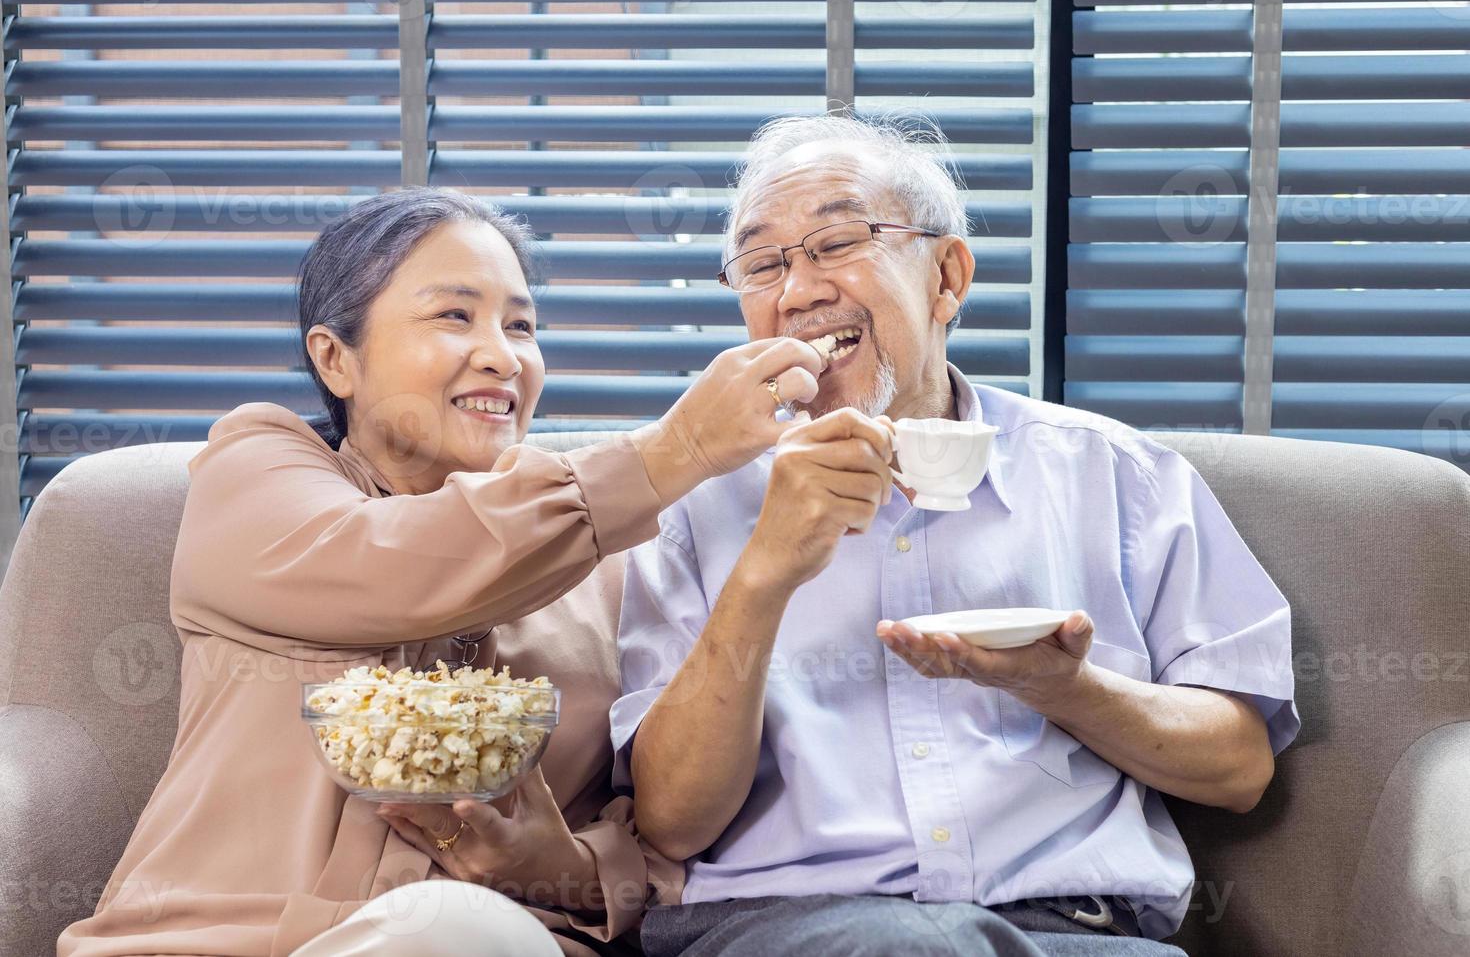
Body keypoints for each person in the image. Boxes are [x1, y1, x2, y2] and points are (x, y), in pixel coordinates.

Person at [58, 187, 826, 957]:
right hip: (210, 943)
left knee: (463, 930)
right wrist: (676, 452)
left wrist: (557, 867)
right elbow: (391, 566)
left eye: (521, 325)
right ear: (336, 358)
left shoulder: (614, 573)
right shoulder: (256, 475)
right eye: (455, 316)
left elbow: (659, 854)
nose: (502, 354)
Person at [613, 114, 1300, 956]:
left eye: (835, 243)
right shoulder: (692, 504)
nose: (796, 292)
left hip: (1079, 934)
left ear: (947, 276)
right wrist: (763, 575)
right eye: (762, 264)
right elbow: (672, 823)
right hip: (792, 928)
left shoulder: (1118, 476)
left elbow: (1239, 770)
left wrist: (1065, 689)